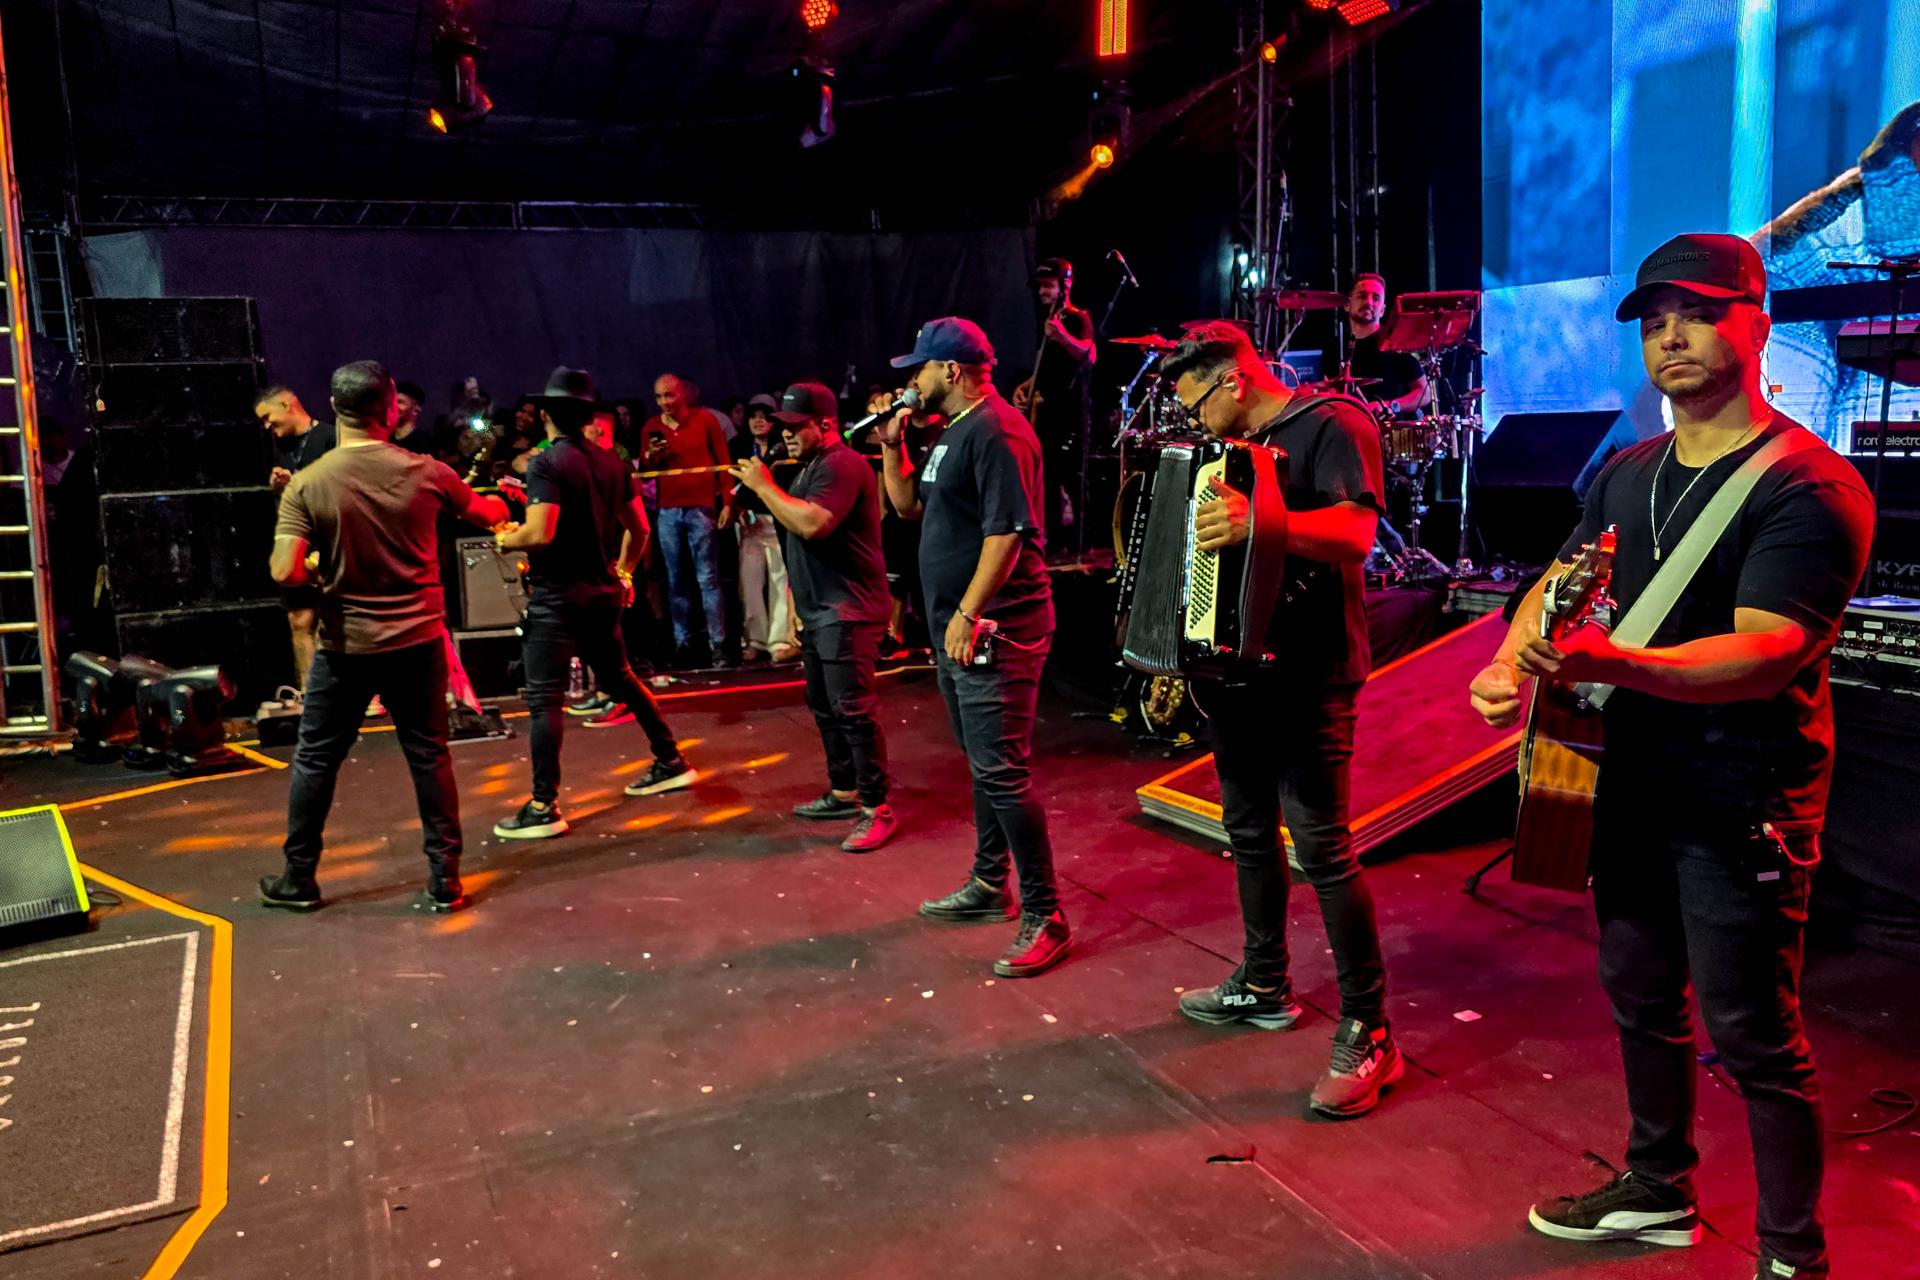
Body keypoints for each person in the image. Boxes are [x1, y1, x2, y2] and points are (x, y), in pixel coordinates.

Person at [1468, 234, 1874, 1280]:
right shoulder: (1628, 472)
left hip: (1741, 796)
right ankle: (1659, 1188)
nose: (1672, 337)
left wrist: (1619, 662)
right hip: (1627, 784)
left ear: (1758, 326)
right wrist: (1509, 662)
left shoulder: (1811, 486)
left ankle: (1792, 1254)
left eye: (1697, 314)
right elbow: (1559, 578)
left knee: (1753, 1032)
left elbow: (1766, 651)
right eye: (1654, 322)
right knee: (1640, 991)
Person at [1158, 321, 1400, 1118]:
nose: (1194, 418)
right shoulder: (1227, 452)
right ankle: (1264, 982)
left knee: (1323, 848)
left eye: (1197, 400)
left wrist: (1262, 523)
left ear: (1231, 379)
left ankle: (1370, 1028)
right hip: (1238, 672)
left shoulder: (1332, 422)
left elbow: (1357, 534)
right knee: (1249, 832)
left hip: (1312, 671)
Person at [259, 361, 509, 913]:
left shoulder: (308, 483)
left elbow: (284, 570)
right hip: (418, 640)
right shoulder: (428, 472)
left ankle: (299, 878)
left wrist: (321, 572)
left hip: (347, 644)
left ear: (333, 408)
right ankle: (444, 879)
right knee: (429, 756)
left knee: (316, 759)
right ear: (391, 408)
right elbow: (487, 513)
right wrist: (506, 499)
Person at [879, 317, 1070, 979]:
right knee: (986, 767)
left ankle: (1046, 914)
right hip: (958, 629)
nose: (913, 381)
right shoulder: (954, 430)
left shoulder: (998, 432)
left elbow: (1008, 533)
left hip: (998, 628)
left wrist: (968, 611)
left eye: (921, 369)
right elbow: (908, 508)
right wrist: (891, 447)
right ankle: (991, 881)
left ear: (951, 371)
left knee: (1003, 773)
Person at [493, 367, 698, 840]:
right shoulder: (611, 463)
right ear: (588, 415)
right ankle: (670, 759)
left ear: (546, 415)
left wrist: (506, 538)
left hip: (557, 597)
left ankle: (543, 805)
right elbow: (639, 529)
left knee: (545, 698)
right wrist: (623, 573)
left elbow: (540, 533)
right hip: (601, 592)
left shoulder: (546, 463)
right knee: (621, 678)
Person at [733, 382, 899, 854]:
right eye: (782, 427)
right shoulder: (808, 466)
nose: (785, 434)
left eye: (795, 426)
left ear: (826, 425)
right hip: (821, 609)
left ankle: (878, 808)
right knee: (825, 707)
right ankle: (845, 790)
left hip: (849, 609)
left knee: (854, 712)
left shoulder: (841, 465)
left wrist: (764, 485)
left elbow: (812, 523)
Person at [641, 373, 733, 666]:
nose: (664, 402)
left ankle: (718, 643)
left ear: (683, 394)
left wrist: (728, 502)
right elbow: (646, 471)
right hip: (668, 510)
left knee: (707, 578)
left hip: (701, 508)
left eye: (669, 395)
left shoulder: (705, 420)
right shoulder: (652, 426)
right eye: (659, 396)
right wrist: (652, 454)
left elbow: (724, 463)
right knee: (675, 579)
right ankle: (683, 642)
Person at [257, 385, 337, 693]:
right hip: (298, 544)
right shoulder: (280, 447)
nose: (267, 426)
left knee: (339, 620)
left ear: (287, 404)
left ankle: (360, 693)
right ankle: (310, 695)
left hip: (330, 542)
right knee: (299, 619)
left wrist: (299, 486)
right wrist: (281, 490)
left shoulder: (329, 437)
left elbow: (341, 490)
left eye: (268, 416)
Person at [1013, 258, 1096, 551]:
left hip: (1070, 413)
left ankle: (1083, 544)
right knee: (1047, 477)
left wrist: (1061, 336)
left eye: (1048, 286)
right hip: (1047, 413)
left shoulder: (1076, 318)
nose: (1042, 292)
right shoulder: (1048, 321)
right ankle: (1053, 540)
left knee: (1073, 478)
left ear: (1065, 285)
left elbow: (1089, 354)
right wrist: (1024, 388)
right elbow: (1047, 368)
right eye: (1040, 287)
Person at [729, 394, 799, 663]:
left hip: (777, 519)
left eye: (764, 416)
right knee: (750, 582)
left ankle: (779, 640)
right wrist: (737, 508)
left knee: (781, 581)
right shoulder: (738, 446)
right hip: (750, 522)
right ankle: (755, 639)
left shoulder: (785, 447)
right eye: (753, 416)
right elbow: (731, 485)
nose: (758, 421)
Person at [1320, 274, 1427, 419]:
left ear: (1382, 310)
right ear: (1347, 304)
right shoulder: (1334, 348)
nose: (1369, 302)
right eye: (1362, 296)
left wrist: (1391, 405)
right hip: (1347, 427)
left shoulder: (1395, 344)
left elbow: (1424, 393)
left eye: (1375, 298)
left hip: (1389, 428)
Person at [392, 380, 435, 455]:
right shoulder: (386, 436)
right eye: (392, 401)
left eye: (400, 402)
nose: (393, 406)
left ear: (416, 410)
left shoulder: (424, 441)